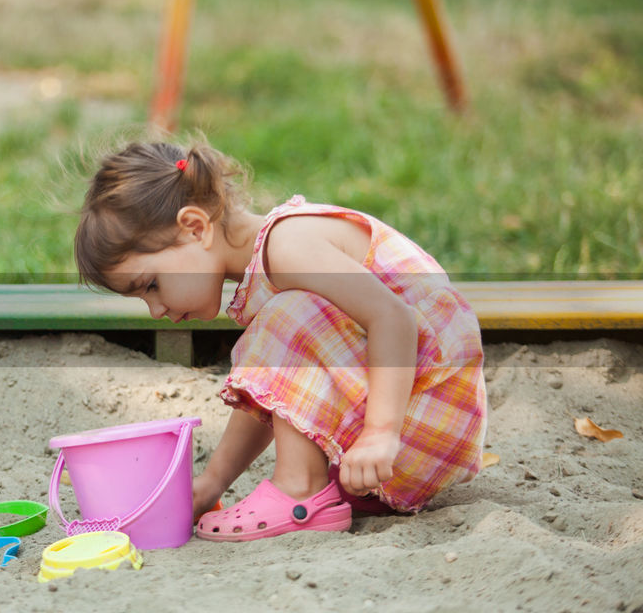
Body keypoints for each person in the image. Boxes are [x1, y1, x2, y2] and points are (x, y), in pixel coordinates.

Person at [74, 138, 486, 540]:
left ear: (195, 227)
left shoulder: (288, 247)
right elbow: (279, 396)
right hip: (398, 438)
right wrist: (212, 483)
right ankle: (310, 485)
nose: (156, 310)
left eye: (151, 285)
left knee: (290, 313)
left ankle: (299, 489)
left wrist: (380, 433)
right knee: (284, 323)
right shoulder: (268, 272)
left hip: (426, 414)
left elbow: (393, 318)